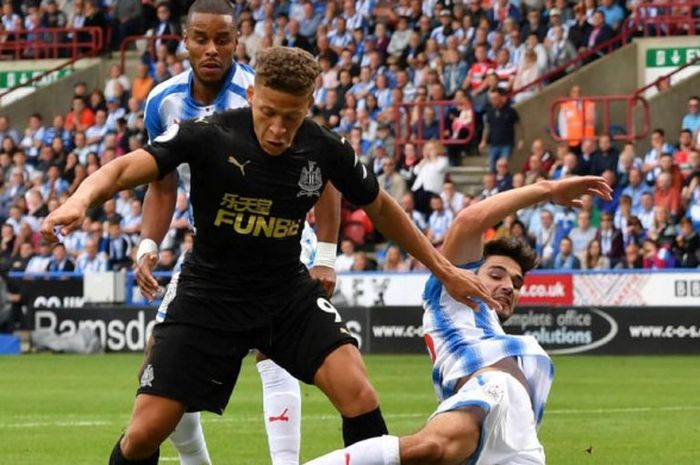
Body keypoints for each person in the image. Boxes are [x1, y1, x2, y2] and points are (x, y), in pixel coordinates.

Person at [42, 46, 498, 465]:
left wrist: (445, 268)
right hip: (208, 295)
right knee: (144, 434)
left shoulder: (325, 148)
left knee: (359, 393)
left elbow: (380, 205)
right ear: (252, 93)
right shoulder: (209, 135)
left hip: (284, 292)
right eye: (268, 113)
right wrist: (80, 201)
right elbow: (127, 167)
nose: (279, 129)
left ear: (309, 106)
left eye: (292, 117)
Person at [137, 2, 341, 464]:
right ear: (184, 40)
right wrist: (149, 243)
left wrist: (326, 253)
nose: (212, 49)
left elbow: (324, 168)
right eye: (201, 39)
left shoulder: (262, 90)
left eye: (223, 39)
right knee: (161, 366)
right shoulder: (161, 101)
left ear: (237, 40)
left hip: (282, 238)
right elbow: (161, 183)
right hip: (215, 249)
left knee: (273, 352)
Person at [304, 176, 612, 465]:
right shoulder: (453, 288)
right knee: (430, 447)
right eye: (496, 274)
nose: (508, 285)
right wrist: (547, 189)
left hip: (518, 429)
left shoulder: (485, 323)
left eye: (517, 283)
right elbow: (469, 220)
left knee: (431, 449)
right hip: (492, 393)